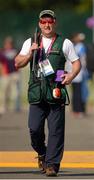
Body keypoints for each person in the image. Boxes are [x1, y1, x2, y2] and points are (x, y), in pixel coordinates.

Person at [15, 10, 81, 176]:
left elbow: (76, 63)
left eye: (49, 21)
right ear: (39, 24)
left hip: (55, 92)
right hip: (36, 93)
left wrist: (71, 76)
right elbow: (18, 63)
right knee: (34, 129)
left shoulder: (65, 42)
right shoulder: (30, 42)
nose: (46, 24)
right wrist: (30, 52)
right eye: (43, 21)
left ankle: (52, 165)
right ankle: (43, 153)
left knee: (56, 131)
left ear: (54, 22)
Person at [1, 36, 21, 112]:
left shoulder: (16, 51)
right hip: (6, 74)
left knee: (16, 92)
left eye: (10, 43)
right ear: (5, 43)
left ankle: (16, 107)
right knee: (5, 92)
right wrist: (2, 72)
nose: (9, 44)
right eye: (7, 43)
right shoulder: (2, 52)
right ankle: (4, 107)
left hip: (15, 74)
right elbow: (1, 63)